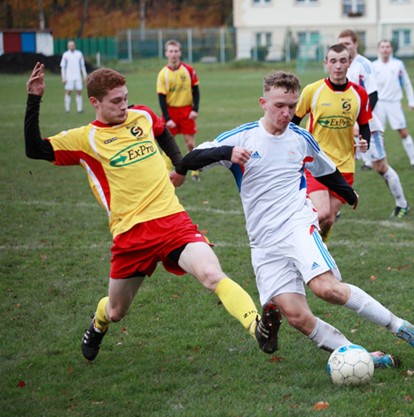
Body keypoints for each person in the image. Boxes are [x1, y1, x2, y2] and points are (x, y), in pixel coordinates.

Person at [24, 63, 277, 362]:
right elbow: (35, 150)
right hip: (131, 234)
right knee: (117, 310)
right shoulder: (85, 139)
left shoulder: (141, 115)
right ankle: (98, 322)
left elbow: (163, 132)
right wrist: (34, 99)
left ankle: (257, 327)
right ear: (95, 103)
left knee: (211, 273)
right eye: (116, 101)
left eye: (125, 98)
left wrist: (179, 165)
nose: (123, 106)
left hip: (172, 220)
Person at [180, 70, 414, 368]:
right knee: (297, 317)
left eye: (291, 106)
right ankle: (358, 356)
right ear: (263, 102)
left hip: (297, 226)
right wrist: (227, 152)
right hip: (263, 243)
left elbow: (325, 169)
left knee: (326, 288)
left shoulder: (300, 138)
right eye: (279, 106)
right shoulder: (241, 138)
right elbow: (188, 161)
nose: (286, 113)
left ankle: (398, 326)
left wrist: (348, 194)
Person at [292, 43, 370, 241]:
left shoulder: (359, 94)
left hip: (344, 164)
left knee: (329, 220)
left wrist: (365, 141)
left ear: (349, 63)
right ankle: (301, 248)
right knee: (322, 213)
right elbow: (294, 121)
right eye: (333, 61)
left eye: (342, 61)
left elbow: (365, 125)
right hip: (316, 162)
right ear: (326, 63)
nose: (338, 66)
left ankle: (320, 249)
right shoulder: (312, 91)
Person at [337, 30, 412, 219]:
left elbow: (373, 96)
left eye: (347, 44)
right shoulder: (340, 65)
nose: (344, 48)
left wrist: (359, 122)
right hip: (345, 126)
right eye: (341, 44)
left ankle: (402, 204)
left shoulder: (364, 65)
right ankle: (334, 208)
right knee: (338, 166)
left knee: (380, 167)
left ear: (355, 44)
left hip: (368, 126)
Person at [157, 39, 201, 181]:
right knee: (167, 143)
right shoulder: (163, 74)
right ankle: (166, 173)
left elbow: (196, 90)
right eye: (171, 51)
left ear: (180, 53)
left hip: (187, 110)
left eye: (176, 51)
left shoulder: (188, 70)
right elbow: (161, 98)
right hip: (170, 111)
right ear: (166, 53)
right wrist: (167, 119)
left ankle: (195, 171)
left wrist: (195, 109)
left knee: (189, 142)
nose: (174, 54)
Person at [372, 39, 414, 170]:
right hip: (379, 105)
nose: (385, 49)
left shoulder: (398, 64)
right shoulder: (373, 66)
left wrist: (411, 101)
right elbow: (368, 86)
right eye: (382, 47)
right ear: (379, 50)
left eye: (387, 47)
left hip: (394, 103)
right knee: (376, 133)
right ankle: (372, 161)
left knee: (403, 132)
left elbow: (407, 83)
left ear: (391, 49)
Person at [60, 40, 87, 113]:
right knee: (68, 92)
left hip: (77, 76)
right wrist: (64, 77)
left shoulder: (79, 54)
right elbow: (63, 67)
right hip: (69, 77)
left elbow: (82, 66)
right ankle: (67, 109)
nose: (71, 46)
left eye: (73, 45)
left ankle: (79, 109)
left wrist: (84, 76)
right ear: (68, 46)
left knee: (79, 92)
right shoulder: (65, 55)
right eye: (70, 45)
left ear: (75, 46)